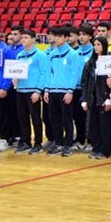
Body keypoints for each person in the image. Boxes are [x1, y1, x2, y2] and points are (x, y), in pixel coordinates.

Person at [43, 26, 82, 156]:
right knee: (54, 119)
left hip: (66, 91)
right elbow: (48, 73)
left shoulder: (73, 54)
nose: (57, 38)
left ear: (66, 38)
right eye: (56, 36)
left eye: (60, 36)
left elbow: (75, 74)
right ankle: (58, 143)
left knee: (67, 119)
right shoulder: (52, 54)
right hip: (53, 91)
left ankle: (68, 144)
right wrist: (47, 89)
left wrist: (70, 91)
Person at [13, 29, 50, 154]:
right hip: (20, 90)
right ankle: (26, 141)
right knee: (22, 117)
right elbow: (16, 71)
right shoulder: (19, 55)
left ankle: (38, 143)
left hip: (33, 90)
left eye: (26, 38)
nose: (23, 40)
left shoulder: (40, 55)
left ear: (33, 39)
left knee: (35, 117)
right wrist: (14, 78)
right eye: (22, 37)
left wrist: (38, 91)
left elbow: (44, 74)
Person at [80, 36, 111, 159]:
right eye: (94, 45)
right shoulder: (90, 63)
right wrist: (84, 99)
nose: (96, 47)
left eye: (98, 44)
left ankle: (105, 150)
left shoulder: (110, 61)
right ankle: (96, 148)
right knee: (93, 125)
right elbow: (84, 82)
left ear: (104, 46)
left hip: (104, 98)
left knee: (105, 125)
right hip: (92, 98)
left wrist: (109, 98)